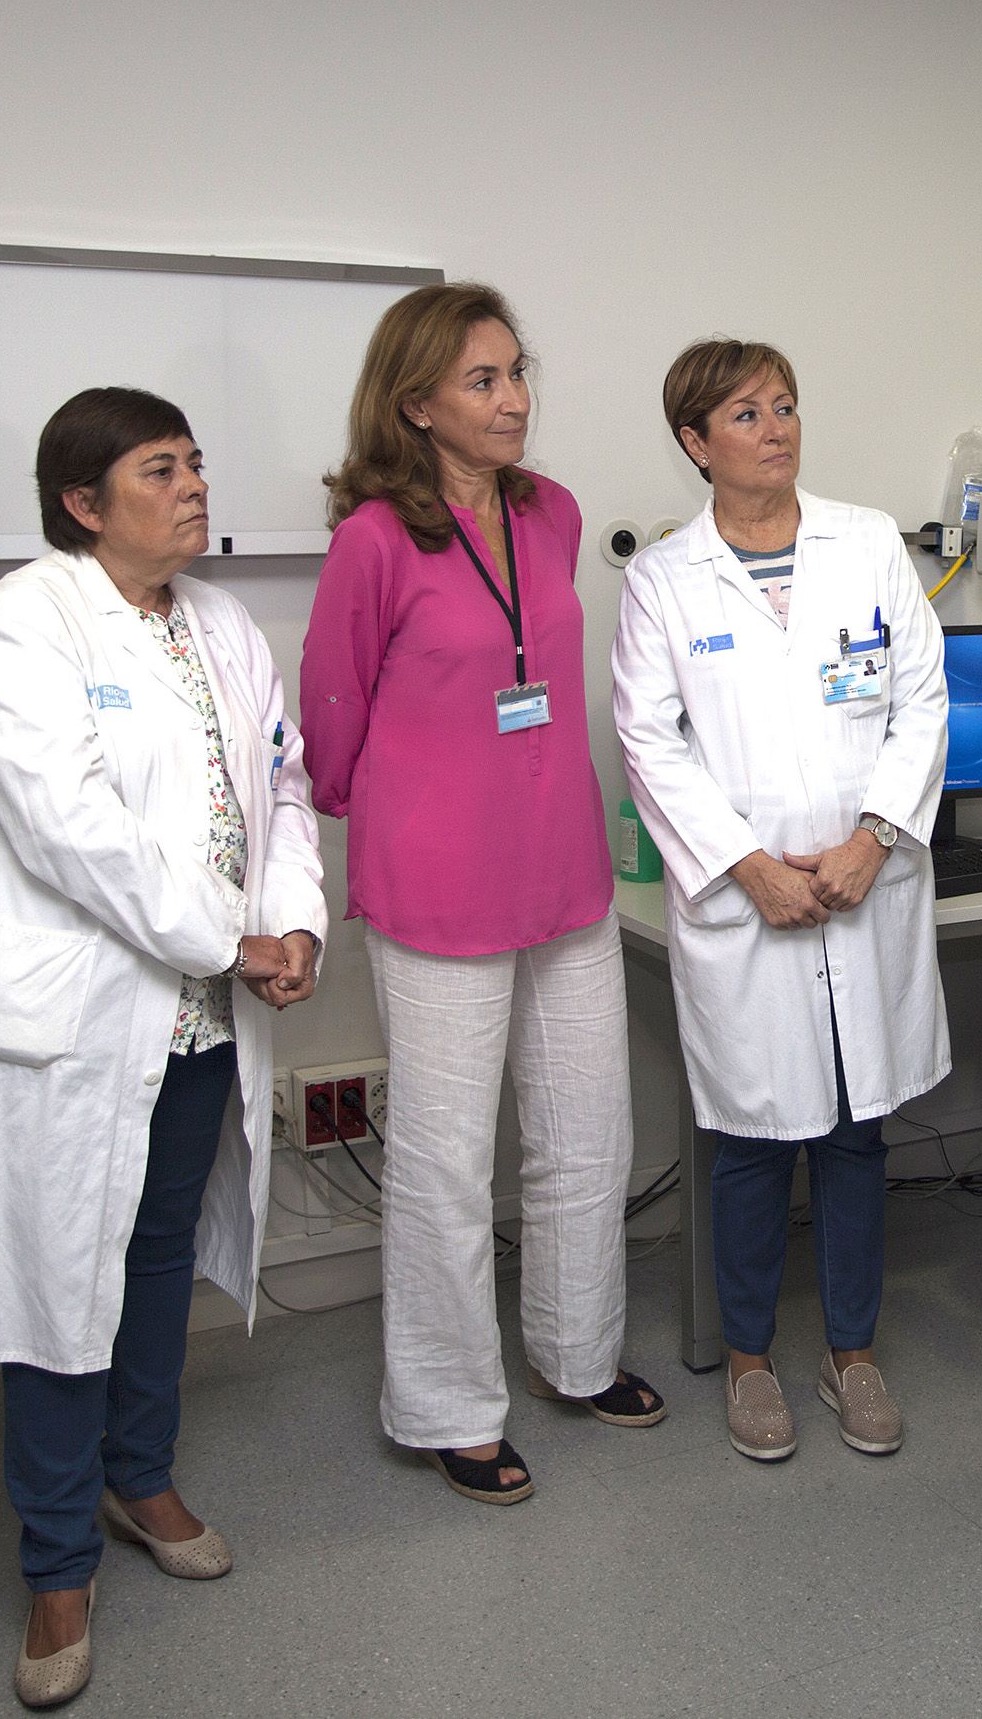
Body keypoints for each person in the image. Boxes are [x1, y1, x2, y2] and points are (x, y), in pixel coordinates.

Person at [0, 388, 329, 1707]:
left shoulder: (221, 623)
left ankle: (137, 1475)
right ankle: (56, 1565)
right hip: (77, 1015)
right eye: (161, 469)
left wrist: (294, 921)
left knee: (155, 1258)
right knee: (60, 1276)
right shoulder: (21, 626)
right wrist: (234, 938)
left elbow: (281, 784)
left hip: (197, 1015)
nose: (195, 485)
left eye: (196, 462)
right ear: (83, 503)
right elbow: (74, 831)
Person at [301, 283, 665, 1506]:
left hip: (562, 867)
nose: (515, 400)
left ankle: (578, 1352)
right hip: (438, 880)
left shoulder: (551, 512)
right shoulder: (373, 539)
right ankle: (449, 1404)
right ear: (416, 404)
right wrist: (382, 808)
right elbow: (333, 706)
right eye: (484, 380)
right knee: (447, 1163)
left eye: (518, 373)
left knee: (587, 1136)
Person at [611, 340, 951, 1461]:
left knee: (856, 1134)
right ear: (696, 443)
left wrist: (873, 837)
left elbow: (922, 699)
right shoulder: (666, 580)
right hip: (748, 904)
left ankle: (852, 1349)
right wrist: (748, 866)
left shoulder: (868, 544)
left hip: (862, 884)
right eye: (747, 414)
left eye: (787, 406)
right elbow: (649, 743)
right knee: (753, 1141)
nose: (777, 428)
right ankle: (749, 1358)